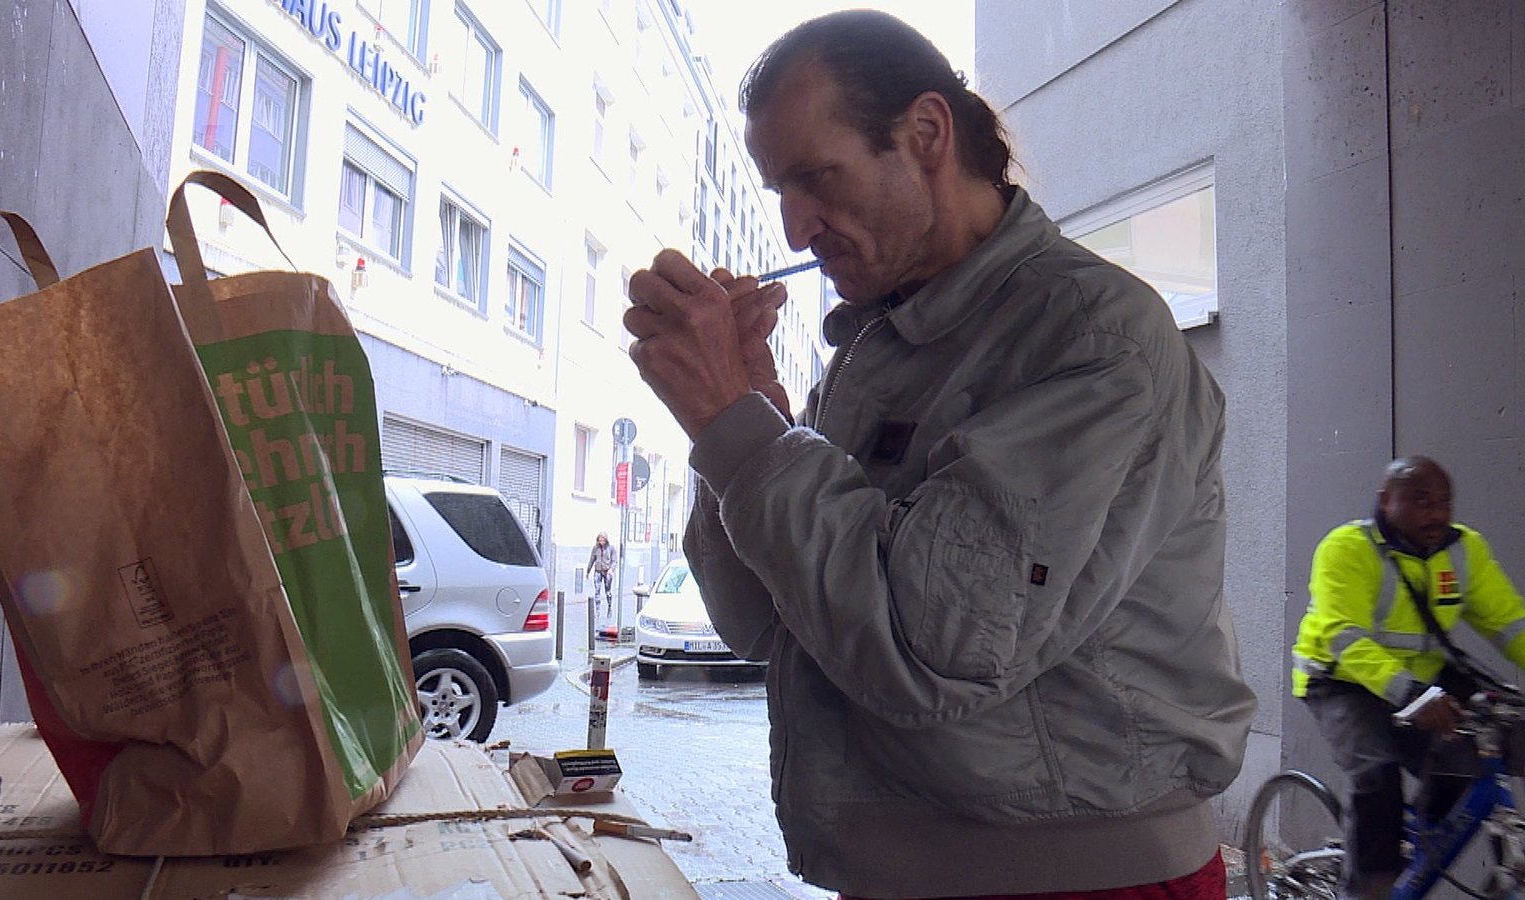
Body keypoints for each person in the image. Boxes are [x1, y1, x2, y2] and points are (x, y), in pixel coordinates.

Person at [622, 10, 1255, 899]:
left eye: (815, 177)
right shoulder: (876, 350)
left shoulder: (1093, 336)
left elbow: (929, 651)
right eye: (779, 191)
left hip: (1081, 880)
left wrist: (735, 421)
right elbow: (762, 624)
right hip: (898, 874)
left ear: (925, 134)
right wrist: (744, 418)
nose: (796, 230)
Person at [1293, 455, 1525, 900]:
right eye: (1421, 501)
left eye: (1444, 502)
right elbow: (1345, 638)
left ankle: (1417, 845)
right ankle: (1370, 885)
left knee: (1480, 755)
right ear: (1386, 501)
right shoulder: (1347, 548)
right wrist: (1412, 694)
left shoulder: (1464, 550)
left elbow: (1509, 624)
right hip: (1342, 680)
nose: (1436, 514)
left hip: (1423, 678)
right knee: (1376, 776)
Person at [587, 532, 616, 618]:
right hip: (598, 571)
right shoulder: (595, 548)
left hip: (607, 571)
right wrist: (588, 571)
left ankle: (609, 607)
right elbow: (592, 559)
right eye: (600, 540)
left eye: (603, 540)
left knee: (608, 592)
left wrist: (611, 569)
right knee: (597, 591)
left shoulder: (611, 548)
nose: (601, 542)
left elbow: (614, 561)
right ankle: (597, 611)